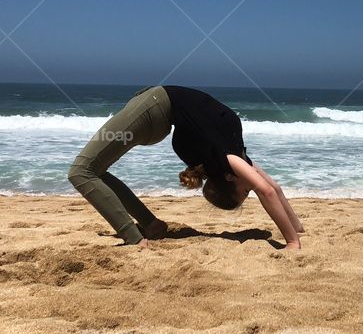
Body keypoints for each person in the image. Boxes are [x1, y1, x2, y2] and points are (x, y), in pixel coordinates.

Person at [67, 85, 303, 249]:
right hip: (156, 113)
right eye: (248, 192)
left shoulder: (230, 163)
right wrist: (297, 228)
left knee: (81, 172)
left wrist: (292, 243)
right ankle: (151, 224)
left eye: (245, 192)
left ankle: (134, 239)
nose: (251, 187)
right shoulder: (237, 159)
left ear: (229, 180)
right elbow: (274, 188)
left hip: (153, 110)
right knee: (94, 171)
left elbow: (267, 192)